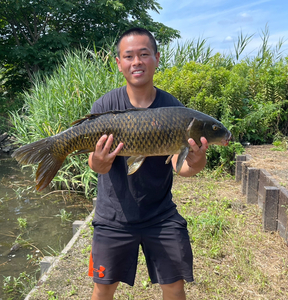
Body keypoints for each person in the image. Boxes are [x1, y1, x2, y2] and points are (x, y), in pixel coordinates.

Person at [87, 27, 209, 300]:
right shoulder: (106, 104)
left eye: (144, 54)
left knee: (175, 285)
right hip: (114, 217)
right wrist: (100, 161)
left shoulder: (174, 110)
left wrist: (197, 160)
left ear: (156, 58)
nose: (137, 62)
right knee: (102, 288)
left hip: (160, 215)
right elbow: (94, 164)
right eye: (128, 56)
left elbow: (183, 167)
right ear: (119, 63)